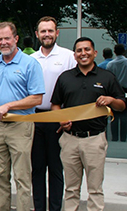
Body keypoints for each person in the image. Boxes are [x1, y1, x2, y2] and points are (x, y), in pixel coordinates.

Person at [51, 37, 126, 211]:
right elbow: (55, 104)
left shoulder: (107, 77)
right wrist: (61, 119)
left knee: (95, 190)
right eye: (79, 50)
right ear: (75, 55)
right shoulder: (65, 78)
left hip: (95, 140)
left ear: (94, 53)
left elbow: (122, 105)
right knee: (71, 189)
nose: (83, 53)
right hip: (70, 140)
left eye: (87, 49)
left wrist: (111, 100)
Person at [0, 21, 45, 211]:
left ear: (16, 39)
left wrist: (8, 106)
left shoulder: (30, 64)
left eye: (7, 38)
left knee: (22, 177)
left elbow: (36, 99)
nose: (3, 42)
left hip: (21, 124)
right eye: (0, 39)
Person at [30, 16, 77, 211]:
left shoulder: (68, 57)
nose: (47, 34)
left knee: (56, 170)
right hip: (35, 119)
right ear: (37, 34)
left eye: (50, 31)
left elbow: (74, 88)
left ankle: (55, 208)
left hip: (59, 119)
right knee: (37, 169)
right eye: (43, 31)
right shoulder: (30, 59)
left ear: (57, 33)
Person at [106, 44, 127, 142]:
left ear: (114, 52)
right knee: (125, 115)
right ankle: (123, 137)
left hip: (114, 90)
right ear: (124, 51)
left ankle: (114, 137)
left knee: (114, 114)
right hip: (126, 89)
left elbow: (108, 79)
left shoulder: (110, 64)